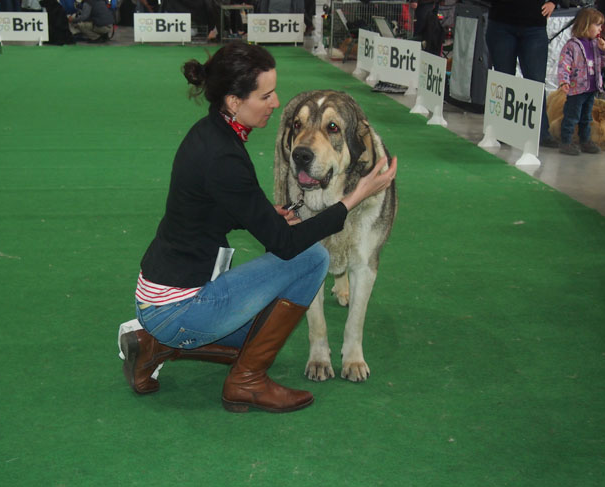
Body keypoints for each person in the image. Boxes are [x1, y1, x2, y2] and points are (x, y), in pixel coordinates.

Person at [120, 42, 398, 414]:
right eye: (265, 95)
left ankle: (152, 344)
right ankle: (245, 382)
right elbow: (286, 245)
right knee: (313, 258)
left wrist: (265, 213)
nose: (276, 102)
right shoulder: (224, 156)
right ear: (234, 102)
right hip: (179, 308)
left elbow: (214, 207)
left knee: (258, 330)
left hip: (160, 295)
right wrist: (354, 198)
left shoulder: (211, 134)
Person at [486, 0, 561, 148]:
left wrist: (554, 2)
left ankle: (541, 132)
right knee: (503, 79)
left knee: (536, 82)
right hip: (501, 22)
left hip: (534, 26)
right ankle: (501, 131)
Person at [557, 7, 605, 155]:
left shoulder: (597, 44)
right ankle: (566, 141)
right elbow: (564, 65)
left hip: (591, 88)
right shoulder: (572, 46)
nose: (601, 28)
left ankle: (585, 140)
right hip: (576, 89)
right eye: (598, 25)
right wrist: (564, 81)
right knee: (572, 116)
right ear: (586, 25)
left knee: (586, 117)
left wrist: (604, 50)